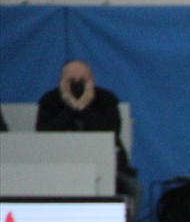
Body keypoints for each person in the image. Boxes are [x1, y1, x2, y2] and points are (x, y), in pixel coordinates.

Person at [36, 59, 141, 213]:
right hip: (60, 168)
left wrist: (84, 108)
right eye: (71, 80)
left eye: (82, 80)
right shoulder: (49, 101)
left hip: (110, 170)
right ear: (61, 82)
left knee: (134, 190)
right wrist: (70, 107)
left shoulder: (107, 99)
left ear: (92, 80)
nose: (77, 84)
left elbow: (110, 134)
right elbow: (44, 135)